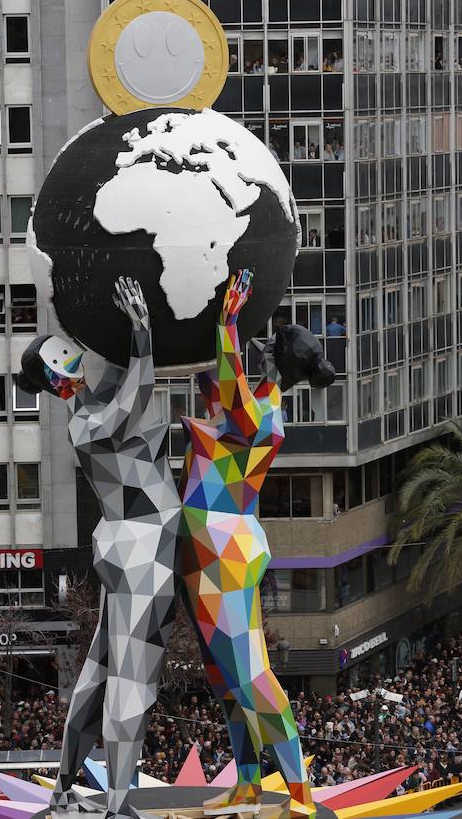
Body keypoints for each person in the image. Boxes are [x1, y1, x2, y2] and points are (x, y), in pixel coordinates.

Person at [18, 277, 180, 819]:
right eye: (64, 356)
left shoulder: (87, 408)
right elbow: (138, 394)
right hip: (143, 543)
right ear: (58, 376)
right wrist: (142, 333)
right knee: (131, 676)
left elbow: (122, 384)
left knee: (100, 670)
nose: (74, 358)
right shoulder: (87, 425)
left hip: (130, 544)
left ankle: (66, 791)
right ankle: (116, 803)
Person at [179, 271, 333, 818]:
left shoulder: (264, 416)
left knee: (249, 674)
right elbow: (214, 380)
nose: (257, 346)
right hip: (204, 549)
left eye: (266, 345)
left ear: (277, 362)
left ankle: (298, 794)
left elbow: (230, 389)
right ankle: (248, 783)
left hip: (224, 550)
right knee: (224, 677)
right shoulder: (245, 401)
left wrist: (226, 323)